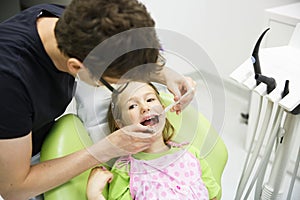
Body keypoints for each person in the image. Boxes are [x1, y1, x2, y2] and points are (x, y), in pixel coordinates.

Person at [0, 0, 195, 199]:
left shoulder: (76, 21)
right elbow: (13, 188)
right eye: (115, 84)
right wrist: (105, 150)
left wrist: (166, 74)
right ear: (76, 67)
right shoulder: (10, 85)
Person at [86, 82, 219, 200]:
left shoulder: (191, 154)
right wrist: (95, 195)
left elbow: (213, 196)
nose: (145, 108)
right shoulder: (125, 170)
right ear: (120, 125)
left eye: (149, 99)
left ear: (163, 108)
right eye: (132, 106)